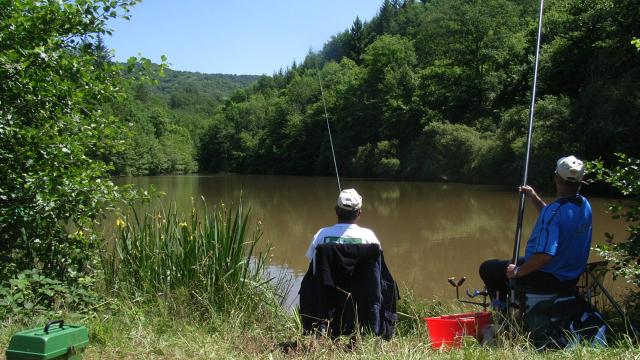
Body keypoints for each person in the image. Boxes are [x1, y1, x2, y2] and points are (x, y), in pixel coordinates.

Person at [479, 155, 593, 303]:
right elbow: (556, 218)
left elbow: (544, 256)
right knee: (510, 262)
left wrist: (518, 272)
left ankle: (504, 313)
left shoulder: (553, 212)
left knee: (488, 268)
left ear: (556, 178)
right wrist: (533, 197)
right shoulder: (584, 205)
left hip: (548, 276)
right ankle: (515, 302)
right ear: (580, 181)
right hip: (570, 275)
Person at [305, 188, 380, 262]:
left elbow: (312, 261)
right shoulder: (369, 236)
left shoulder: (321, 235)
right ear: (359, 212)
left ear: (336, 210)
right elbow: (377, 266)